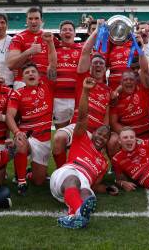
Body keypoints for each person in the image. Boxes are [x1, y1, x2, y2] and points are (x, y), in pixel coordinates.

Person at [50, 77, 113, 229]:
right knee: (74, 180)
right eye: (100, 134)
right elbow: (83, 116)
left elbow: (95, 185)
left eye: (105, 137)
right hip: (68, 173)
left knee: (88, 194)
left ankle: (75, 215)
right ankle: (78, 212)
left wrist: (108, 188)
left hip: (85, 181)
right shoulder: (82, 139)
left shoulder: (104, 163)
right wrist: (85, 91)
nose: (101, 138)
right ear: (93, 133)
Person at [52, 23, 111, 168]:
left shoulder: (108, 90)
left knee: (87, 170)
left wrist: (103, 137)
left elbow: (106, 119)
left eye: (101, 64)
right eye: (95, 63)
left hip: (95, 133)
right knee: (59, 137)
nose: (98, 66)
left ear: (105, 69)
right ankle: (61, 171)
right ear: (90, 66)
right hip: (78, 128)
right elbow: (85, 51)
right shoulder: (83, 79)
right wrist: (97, 31)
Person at [6, 62, 55, 195]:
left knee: (39, 181)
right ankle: (21, 182)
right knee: (20, 141)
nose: (30, 74)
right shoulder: (18, 93)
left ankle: (28, 173)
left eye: (33, 71)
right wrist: (16, 132)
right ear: (23, 78)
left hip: (43, 139)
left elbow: (53, 66)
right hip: (27, 135)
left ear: (39, 76)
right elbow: (9, 116)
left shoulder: (48, 86)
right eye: (27, 73)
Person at [7, 7, 56, 89]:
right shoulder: (18, 38)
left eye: (36, 18)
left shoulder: (49, 37)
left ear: (41, 21)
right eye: (30, 19)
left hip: (45, 82)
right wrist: (28, 52)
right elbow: (11, 65)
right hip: (23, 82)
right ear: (26, 20)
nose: (33, 21)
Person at [54, 20, 83, 129]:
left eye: (70, 30)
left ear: (75, 33)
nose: (67, 32)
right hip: (58, 97)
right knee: (60, 131)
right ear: (60, 33)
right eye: (64, 29)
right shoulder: (54, 49)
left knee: (78, 131)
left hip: (77, 97)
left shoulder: (81, 49)